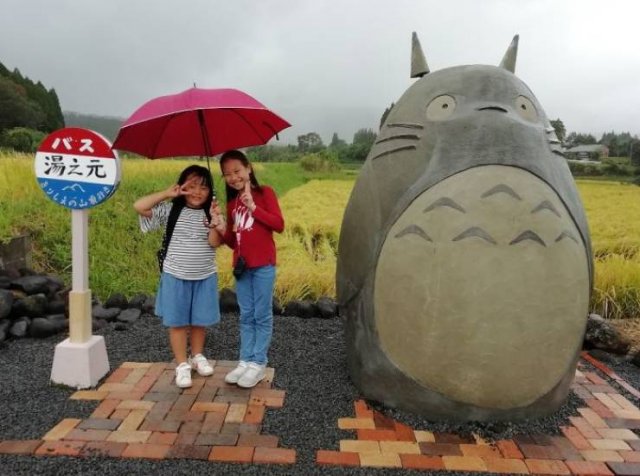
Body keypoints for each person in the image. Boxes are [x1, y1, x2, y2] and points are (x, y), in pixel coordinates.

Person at [133, 164, 223, 389]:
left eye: (203, 187)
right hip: (175, 275)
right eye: (191, 186)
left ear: (210, 190)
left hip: (204, 275)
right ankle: (182, 364)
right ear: (181, 186)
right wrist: (166, 193)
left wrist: (216, 222)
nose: (197, 192)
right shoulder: (170, 210)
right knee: (178, 323)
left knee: (199, 321)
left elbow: (214, 243)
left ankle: (198, 356)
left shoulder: (211, 214)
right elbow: (139, 206)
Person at [210, 149, 284, 388]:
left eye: (237, 171)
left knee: (261, 315)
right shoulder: (232, 203)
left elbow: (279, 224)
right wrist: (221, 226)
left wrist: (253, 207)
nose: (233, 177)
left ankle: (258, 363)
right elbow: (233, 242)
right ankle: (245, 360)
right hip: (242, 267)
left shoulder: (265, 193)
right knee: (246, 315)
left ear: (248, 168)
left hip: (263, 266)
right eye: (227, 174)